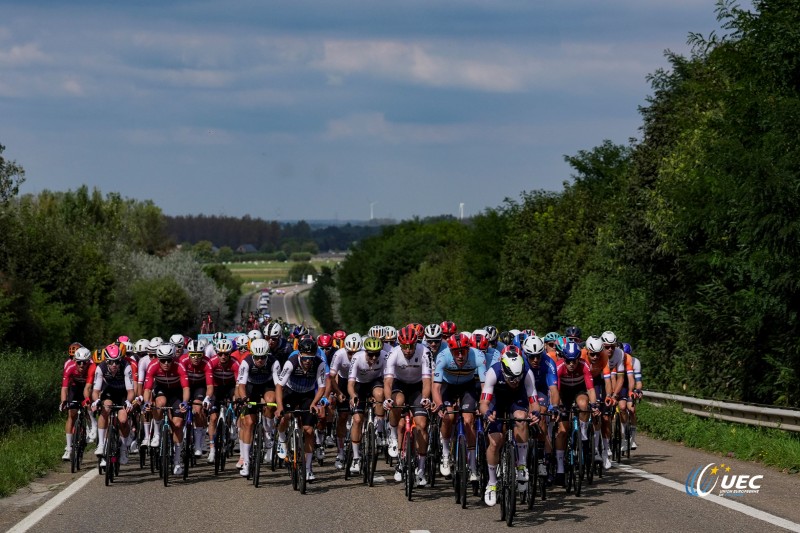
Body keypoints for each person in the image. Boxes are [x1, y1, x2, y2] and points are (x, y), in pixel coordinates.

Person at [479, 347, 540, 506]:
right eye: (511, 378)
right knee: (494, 442)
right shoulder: (494, 372)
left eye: (517, 378)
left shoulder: (526, 373)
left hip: (517, 400)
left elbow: (534, 403)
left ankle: (521, 466)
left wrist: (535, 414)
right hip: (497, 402)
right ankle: (492, 483)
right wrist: (487, 414)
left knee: (521, 419)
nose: (515, 381)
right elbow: (484, 403)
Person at [432, 332, 486, 481]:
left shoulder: (478, 356)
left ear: (469, 349)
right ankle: (445, 453)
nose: (460, 356)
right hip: (447, 386)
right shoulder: (442, 357)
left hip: (467, 386)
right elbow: (435, 388)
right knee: (448, 417)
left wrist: (482, 404)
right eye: (456, 352)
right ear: (451, 351)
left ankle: (473, 466)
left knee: (469, 420)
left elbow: (484, 386)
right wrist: (440, 405)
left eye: (463, 351)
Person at [383, 325, 433, 486]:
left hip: (418, 387)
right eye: (405, 346)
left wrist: (425, 398)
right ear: (400, 344)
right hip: (400, 384)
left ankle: (421, 469)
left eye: (411, 346)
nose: (408, 350)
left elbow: (427, 380)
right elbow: (388, 381)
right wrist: (387, 399)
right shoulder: (393, 353)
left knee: (422, 425)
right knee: (396, 403)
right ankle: (392, 435)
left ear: (416, 343)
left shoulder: (424, 352)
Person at [275, 337, 327, 482]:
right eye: (305, 358)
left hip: (307, 395)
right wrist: (279, 406)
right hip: (290, 393)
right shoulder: (290, 363)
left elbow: (322, 387)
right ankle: (282, 439)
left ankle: (308, 468)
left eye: (310, 358)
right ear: (299, 355)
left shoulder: (319, 364)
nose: (308, 362)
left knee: (309, 430)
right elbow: (279, 386)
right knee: (285, 417)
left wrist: (315, 403)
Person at [554, 341, 600, 485]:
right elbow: (556, 391)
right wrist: (557, 407)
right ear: (564, 359)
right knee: (562, 431)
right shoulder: (559, 367)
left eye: (574, 360)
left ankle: (584, 434)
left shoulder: (584, 365)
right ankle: (560, 469)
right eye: (568, 360)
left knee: (583, 404)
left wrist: (594, 405)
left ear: (579, 358)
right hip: (564, 393)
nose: (571, 364)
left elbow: (591, 389)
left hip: (579, 391)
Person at [236, 338, 281, 477]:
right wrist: (244, 399)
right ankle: (246, 461)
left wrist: (279, 404)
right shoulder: (246, 362)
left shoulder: (274, 362)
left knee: (271, 401)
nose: (260, 360)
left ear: (267, 355)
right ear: (252, 355)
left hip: (267, 385)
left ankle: (268, 436)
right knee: (248, 423)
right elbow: (241, 386)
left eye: (263, 357)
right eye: (257, 357)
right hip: (250, 387)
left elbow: (278, 385)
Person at [143, 343, 190, 476]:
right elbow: (147, 388)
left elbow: (186, 388)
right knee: (159, 403)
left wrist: (185, 402)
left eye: (168, 360)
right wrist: (147, 402)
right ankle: (157, 434)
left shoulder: (179, 365)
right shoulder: (153, 366)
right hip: (161, 390)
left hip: (176, 393)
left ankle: (177, 461)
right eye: (162, 360)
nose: (166, 363)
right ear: (158, 359)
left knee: (177, 424)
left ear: (173, 358)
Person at [346, 335, 387, 474]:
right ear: (365, 352)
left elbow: (387, 380)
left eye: (377, 354)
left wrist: (386, 399)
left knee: (381, 394)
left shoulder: (385, 357)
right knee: (357, 420)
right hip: (359, 385)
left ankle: (380, 431)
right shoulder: (357, 358)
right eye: (371, 355)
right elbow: (350, 383)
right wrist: (353, 396)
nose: (374, 358)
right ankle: (356, 457)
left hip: (375, 382)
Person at [90, 344, 135, 467]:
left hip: (122, 394)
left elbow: (131, 391)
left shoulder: (126, 367)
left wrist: (128, 401)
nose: (114, 365)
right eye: (111, 362)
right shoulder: (101, 368)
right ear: (106, 361)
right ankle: (101, 445)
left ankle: (124, 449)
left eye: (116, 362)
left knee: (123, 420)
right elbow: (95, 391)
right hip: (109, 393)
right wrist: (96, 400)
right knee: (105, 408)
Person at [327, 333, 361, 469]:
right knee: (342, 416)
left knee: (360, 417)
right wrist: (338, 393)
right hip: (343, 382)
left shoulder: (364, 355)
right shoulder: (339, 354)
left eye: (356, 352)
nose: (353, 356)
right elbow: (331, 377)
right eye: (350, 353)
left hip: (359, 382)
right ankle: (340, 453)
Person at [178, 341, 215, 458]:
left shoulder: (207, 362)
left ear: (202, 354)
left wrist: (207, 398)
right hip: (184, 386)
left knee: (198, 408)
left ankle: (198, 444)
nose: (195, 358)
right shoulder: (182, 361)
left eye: (199, 355)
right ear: (188, 353)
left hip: (199, 387)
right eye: (193, 354)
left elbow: (209, 386)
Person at [207, 337, 240, 464]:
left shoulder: (235, 363)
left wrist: (236, 399)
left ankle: (233, 424)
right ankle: (212, 449)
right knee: (214, 418)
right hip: (216, 387)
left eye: (226, 354)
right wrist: (208, 398)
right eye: (220, 353)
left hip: (231, 387)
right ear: (216, 353)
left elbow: (238, 385)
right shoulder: (212, 362)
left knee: (236, 402)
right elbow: (209, 385)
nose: (223, 356)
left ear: (230, 353)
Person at [60, 347, 92, 460]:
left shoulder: (92, 368)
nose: (82, 365)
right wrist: (63, 402)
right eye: (79, 362)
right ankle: (68, 448)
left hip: (88, 388)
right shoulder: (69, 367)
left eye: (84, 362)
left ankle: (90, 427)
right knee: (71, 414)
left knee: (88, 406)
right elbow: (64, 388)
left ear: (89, 361)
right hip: (74, 388)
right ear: (75, 361)